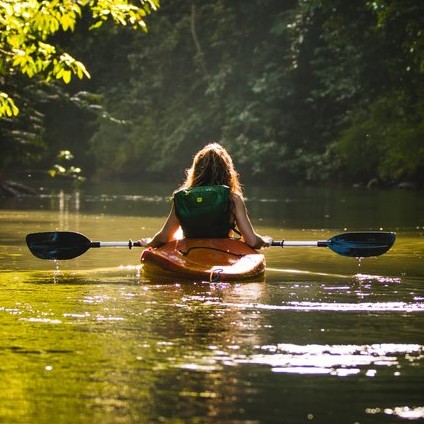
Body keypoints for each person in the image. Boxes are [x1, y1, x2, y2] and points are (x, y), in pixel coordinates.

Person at [142, 143, 271, 249]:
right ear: (227, 172)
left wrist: (149, 243)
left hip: (190, 254)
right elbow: (252, 241)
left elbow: (164, 237)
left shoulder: (183, 198)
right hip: (223, 253)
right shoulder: (233, 199)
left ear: (196, 170)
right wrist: (265, 241)